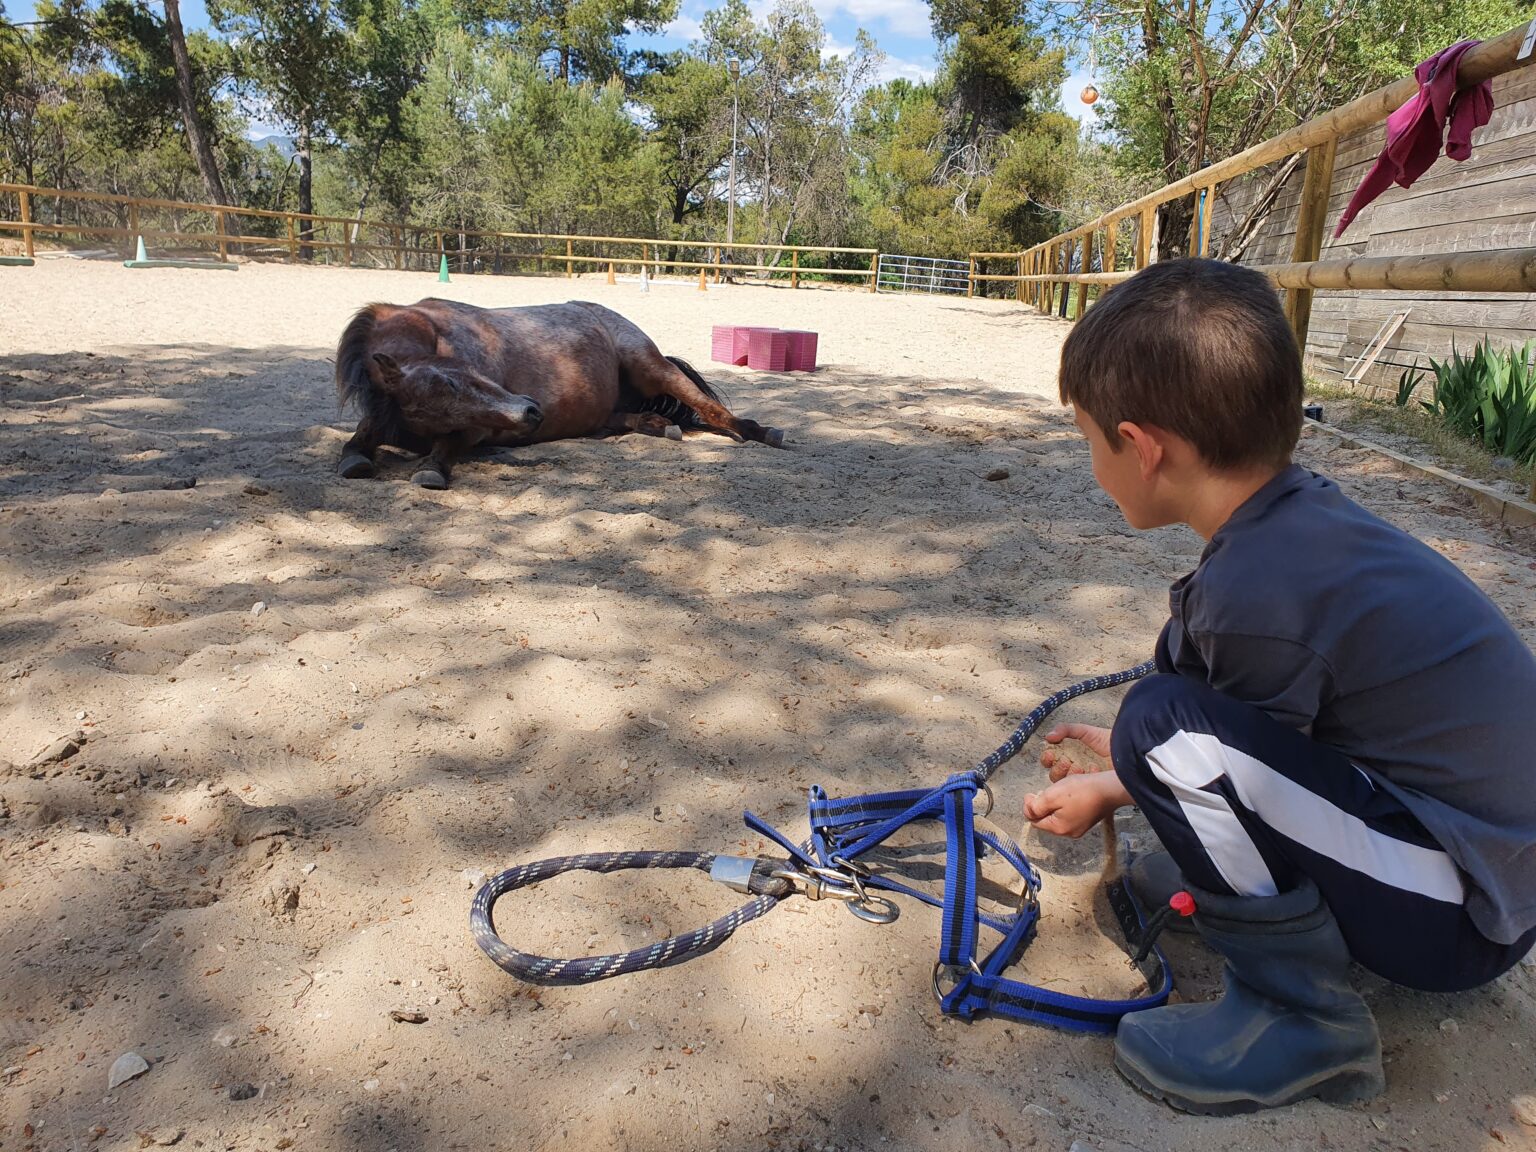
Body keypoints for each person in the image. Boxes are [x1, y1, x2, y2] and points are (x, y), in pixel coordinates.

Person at [1021, 258, 1536, 1116]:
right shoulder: (1295, 524)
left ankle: (1299, 1017)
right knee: (1164, 724)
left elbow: (1205, 745)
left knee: (1161, 721)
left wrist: (1139, 763)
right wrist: (1124, 780)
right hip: (1486, 869)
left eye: (1088, 438)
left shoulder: (1257, 592)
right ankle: (1251, 909)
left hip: (1460, 918)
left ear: (1144, 448)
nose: (1092, 460)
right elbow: (1263, 738)